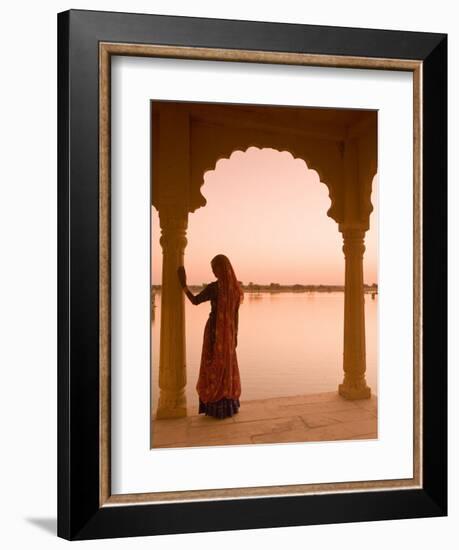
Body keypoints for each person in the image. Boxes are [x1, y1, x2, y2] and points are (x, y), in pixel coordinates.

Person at [177, 254, 244, 419]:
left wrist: (183, 286)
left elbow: (195, 300)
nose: (214, 272)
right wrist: (235, 336)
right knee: (225, 368)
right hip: (228, 334)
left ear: (221, 268)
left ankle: (214, 406)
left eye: (215, 268)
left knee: (212, 367)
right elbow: (235, 317)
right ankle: (228, 407)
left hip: (215, 333)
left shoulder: (215, 288)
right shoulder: (235, 289)